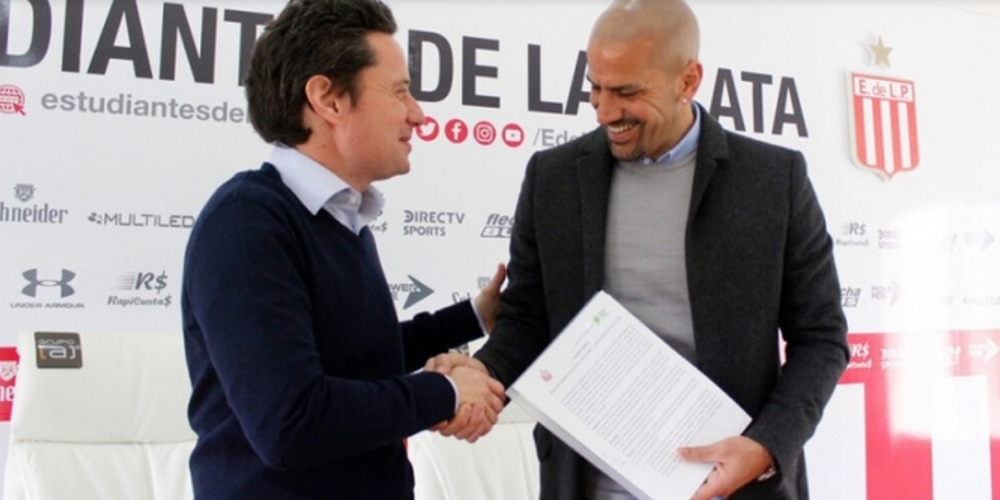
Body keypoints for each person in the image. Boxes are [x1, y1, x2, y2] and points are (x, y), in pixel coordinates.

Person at [428, 0, 848, 499]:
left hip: (735, 487)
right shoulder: (553, 178)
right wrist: (485, 374)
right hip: (587, 485)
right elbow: (528, 319)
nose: (605, 111)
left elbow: (821, 337)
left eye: (627, 92)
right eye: (595, 88)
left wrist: (766, 446)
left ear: (688, 80)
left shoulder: (773, 180)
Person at [180, 0, 506, 498]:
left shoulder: (339, 219)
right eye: (399, 91)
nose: (417, 115)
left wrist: (475, 316)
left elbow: (359, 357)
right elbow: (291, 421)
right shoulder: (246, 223)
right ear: (328, 100)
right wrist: (444, 392)